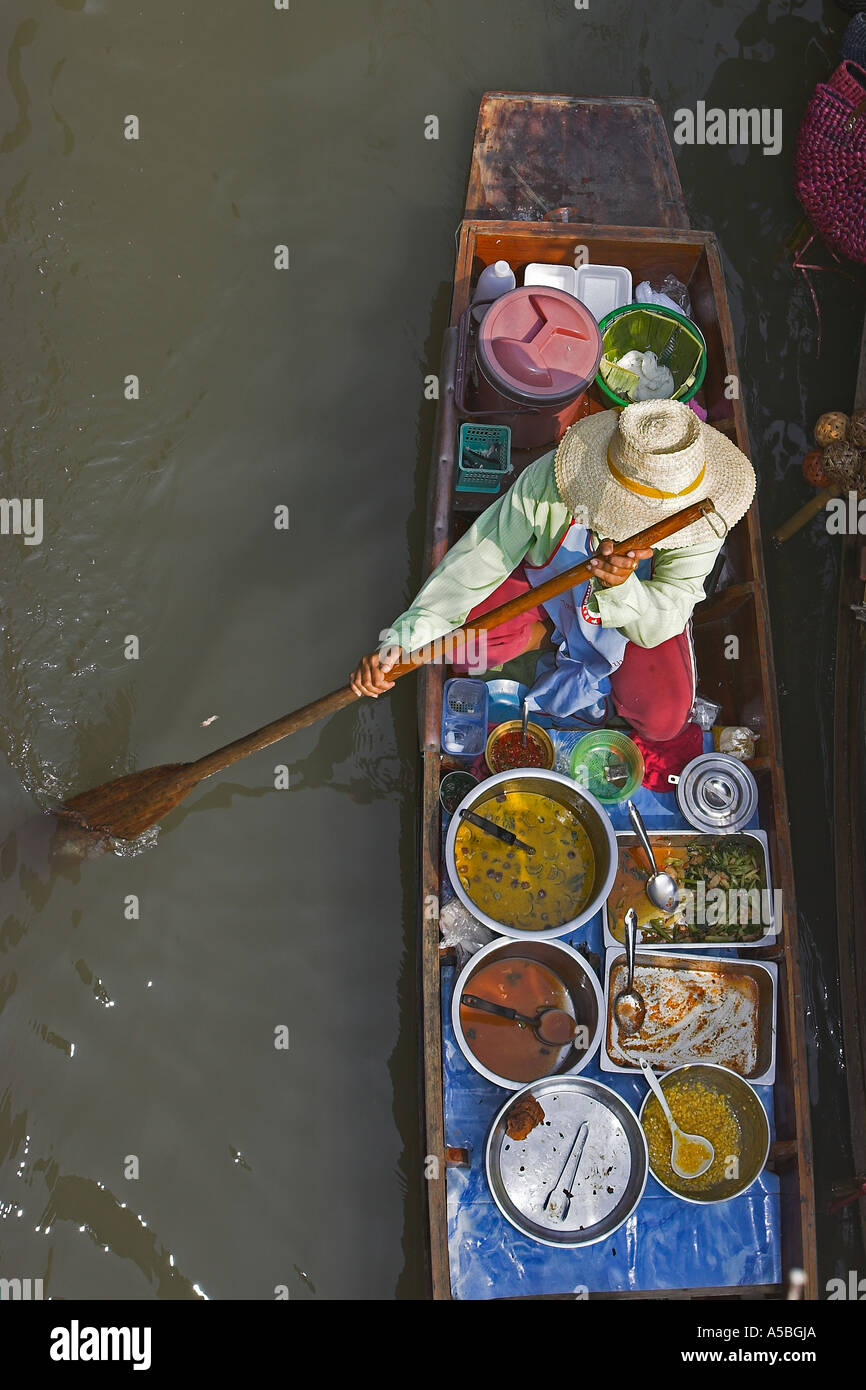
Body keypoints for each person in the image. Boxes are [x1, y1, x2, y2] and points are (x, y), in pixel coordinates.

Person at [350, 399, 755, 743]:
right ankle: (551, 632)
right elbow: (475, 564)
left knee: (663, 719)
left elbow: (664, 614)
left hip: (635, 615)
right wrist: (403, 645)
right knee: (456, 648)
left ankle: (570, 639)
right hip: (552, 591)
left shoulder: (703, 515)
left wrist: (622, 588)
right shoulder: (555, 478)